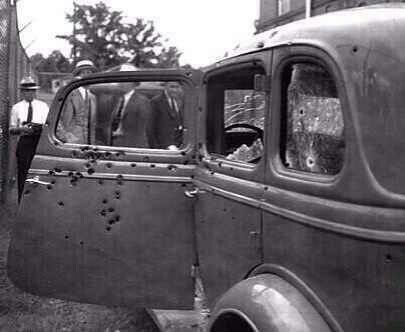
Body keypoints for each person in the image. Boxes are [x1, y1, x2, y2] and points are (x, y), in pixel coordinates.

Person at [10, 77, 49, 201]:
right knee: (23, 172)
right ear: (22, 92)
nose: (30, 93)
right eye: (27, 91)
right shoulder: (16, 108)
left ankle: (37, 200)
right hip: (25, 141)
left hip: (39, 141)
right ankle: (22, 200)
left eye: (32, 91)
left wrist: (38, 128)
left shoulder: (43, 106)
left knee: (39, 171)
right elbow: (11, 129)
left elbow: (49, 125)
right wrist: (22, 129)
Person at [57, 59, 97, 144]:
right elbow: (56, 119)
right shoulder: (68, 93)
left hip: (88, 144)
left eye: (90, 73)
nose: (87, 76)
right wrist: (65, 137)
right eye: (84, 73)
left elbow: (92, 124)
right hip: (71, 143)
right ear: (77, 76)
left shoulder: (92, 97)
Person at [110, 81, 152, 148]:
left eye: (125, 81)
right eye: (120, 81)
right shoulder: (116, 99)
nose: (121, 83)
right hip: (115, 143)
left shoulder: (142, 101)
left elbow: (143, 127)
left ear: (133, 84)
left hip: (132, 145)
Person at [147, 81, 184, 149]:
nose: (175, 90)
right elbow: (150, 128)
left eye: (177, 87)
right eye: (172, 87)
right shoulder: (156, 102)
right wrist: (157, 149)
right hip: (162, 148)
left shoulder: (180, 101)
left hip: (178, 148)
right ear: (165, 86)